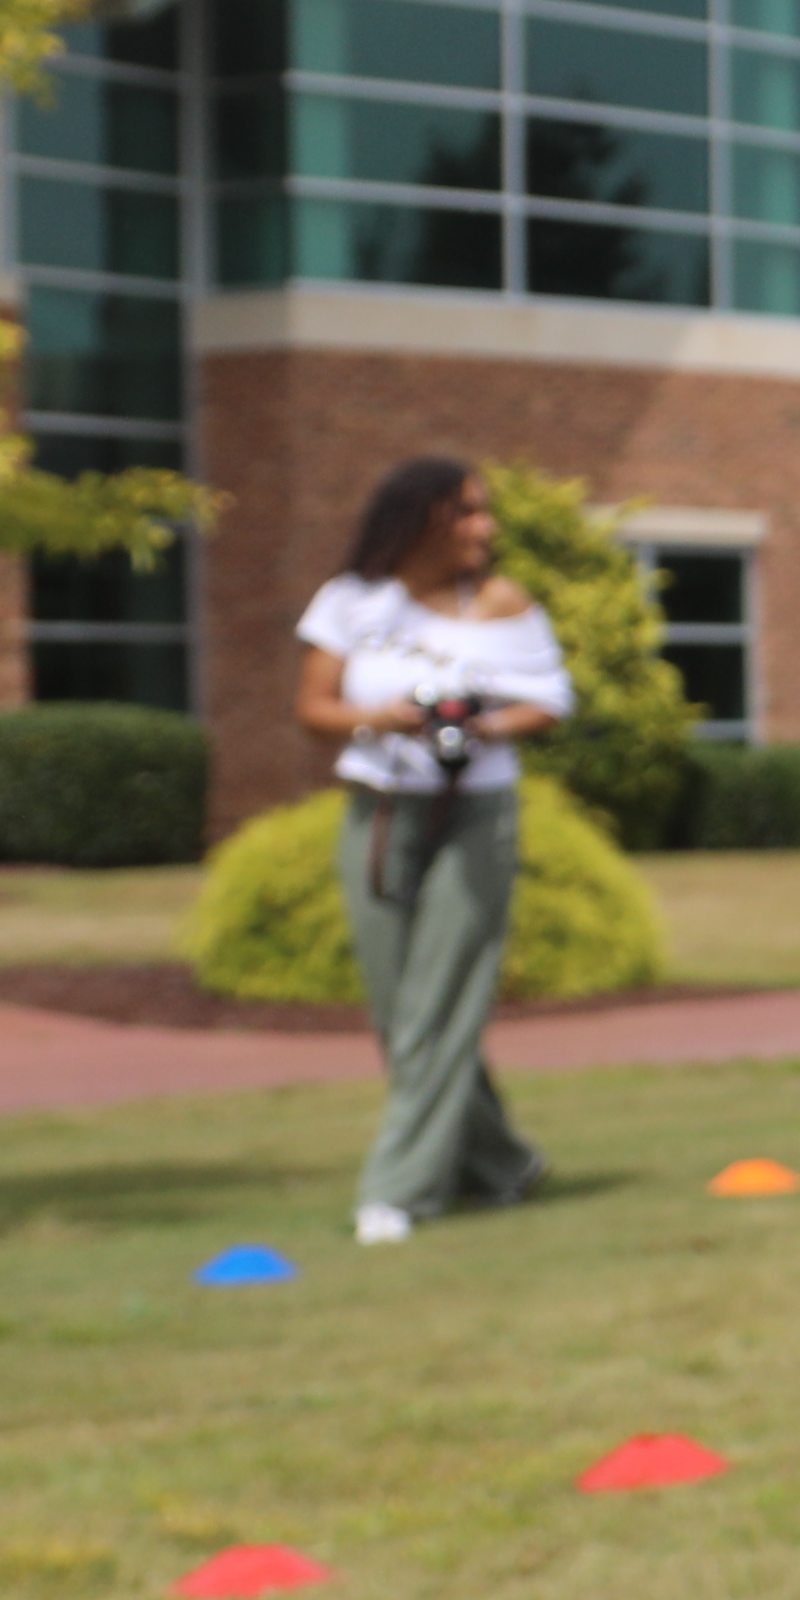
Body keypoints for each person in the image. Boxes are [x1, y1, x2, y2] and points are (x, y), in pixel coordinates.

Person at [290, 455, 575, 1245]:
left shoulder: (502, 603)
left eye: (486, 511)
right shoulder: (352, 601)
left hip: (475, 813)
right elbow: (312, 707)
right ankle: (503, 1163)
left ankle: (398, 1192)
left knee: (441, 998)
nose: (485, 528)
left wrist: (478, 723)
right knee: (398, 1008)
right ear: (420, 521)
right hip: (379, 810)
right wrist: (386, 717)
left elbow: (550, 702)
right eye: (468, 513)